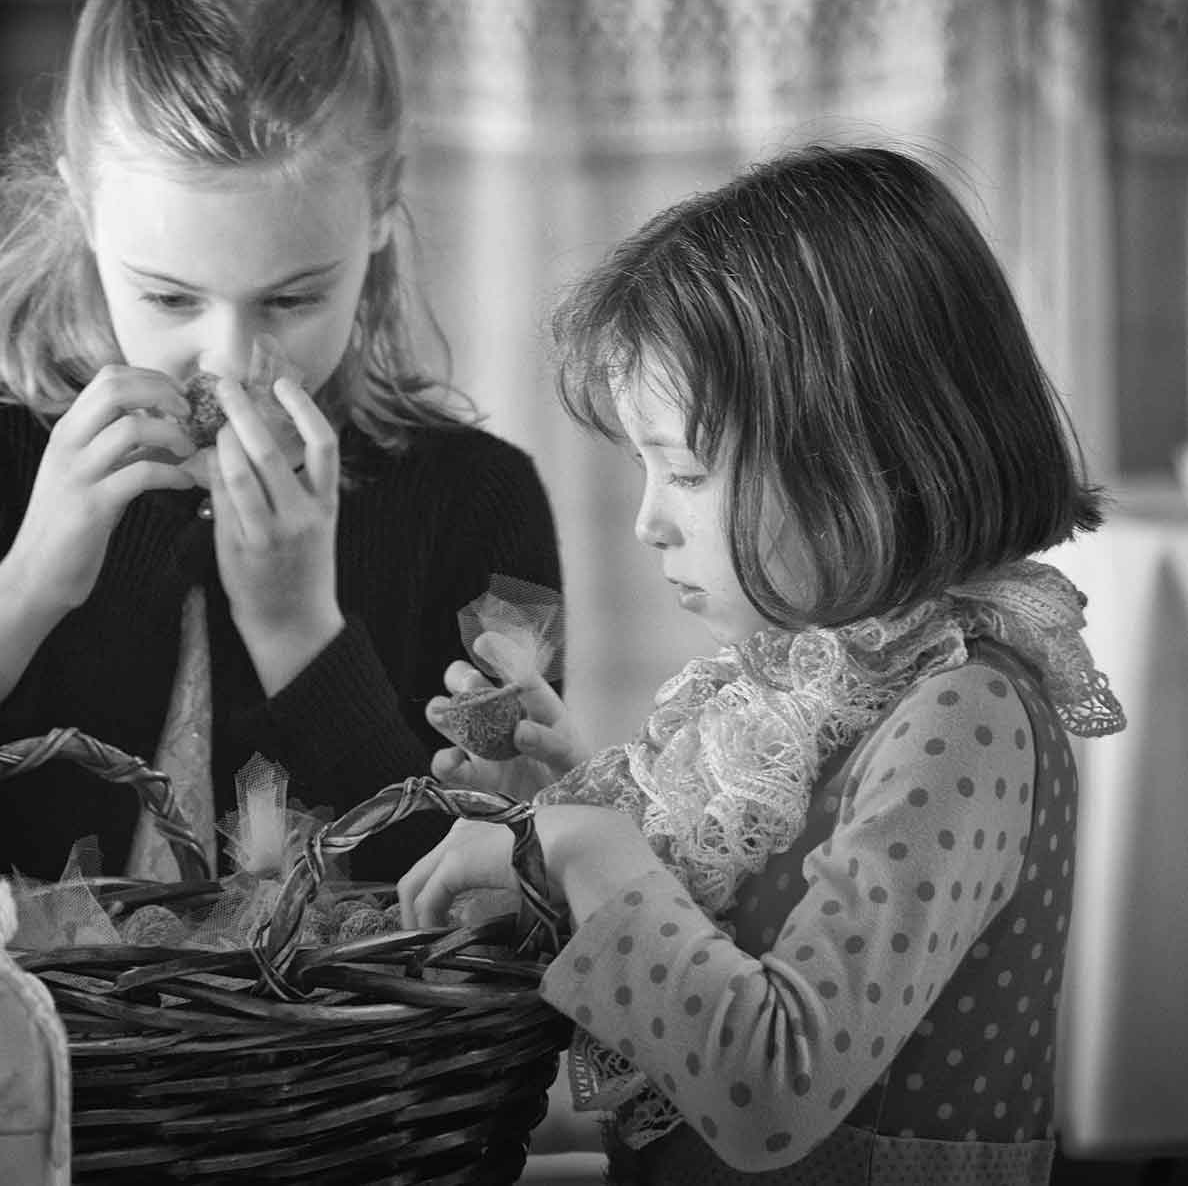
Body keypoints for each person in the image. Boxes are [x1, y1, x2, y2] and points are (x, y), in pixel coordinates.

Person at [0, 0, 561, 887]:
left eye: (292, 298)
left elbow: (505, 905)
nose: (230, 361)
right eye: (171, 298)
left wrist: (304, 634)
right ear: (87, 212)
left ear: (381, 209)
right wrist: (20, 595)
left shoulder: (484, 503)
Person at [399, 144, 1125, 1183]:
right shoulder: (808, 688)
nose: (650, 521)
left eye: (687, 469)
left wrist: (582, 849)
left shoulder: (967, 712)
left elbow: (772, 1090)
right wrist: (560, 800)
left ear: (871, 455)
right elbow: (711, 956)